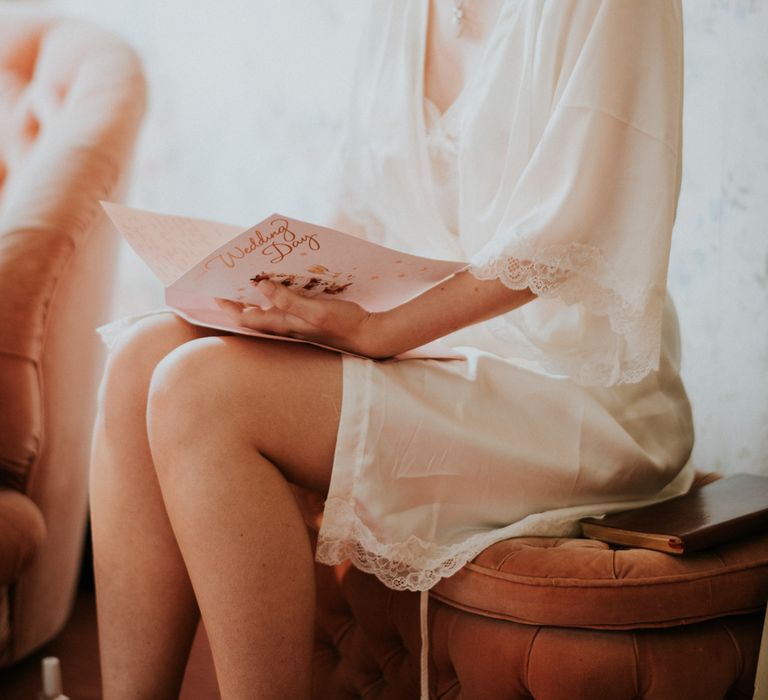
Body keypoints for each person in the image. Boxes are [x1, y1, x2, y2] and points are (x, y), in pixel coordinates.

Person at [90, 1, 694, 698]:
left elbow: (573, 229)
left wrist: (379, 333)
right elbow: (364, 213)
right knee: (140, 357)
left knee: (199, 391)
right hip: (429, 349)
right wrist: (281, 300)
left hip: (572, 382)